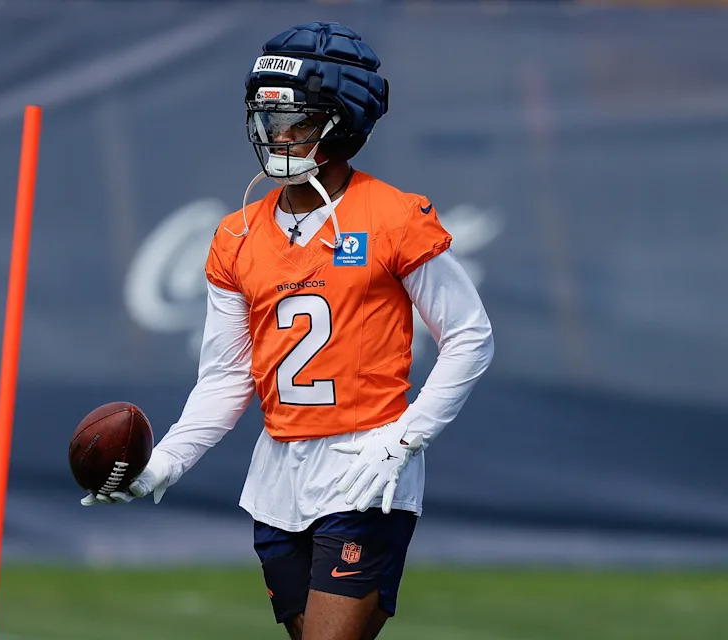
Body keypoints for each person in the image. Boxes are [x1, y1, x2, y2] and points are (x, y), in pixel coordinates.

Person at [81, 21, 494, 640]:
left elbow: (470, 336)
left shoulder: (394, 217)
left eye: (294, 120)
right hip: (278, 474)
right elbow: (225, 381)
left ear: (341, 120)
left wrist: (406, 438)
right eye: (267, 119)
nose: (276, 135)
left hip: (365, 465)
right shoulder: (236, 235)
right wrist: (162, 462)